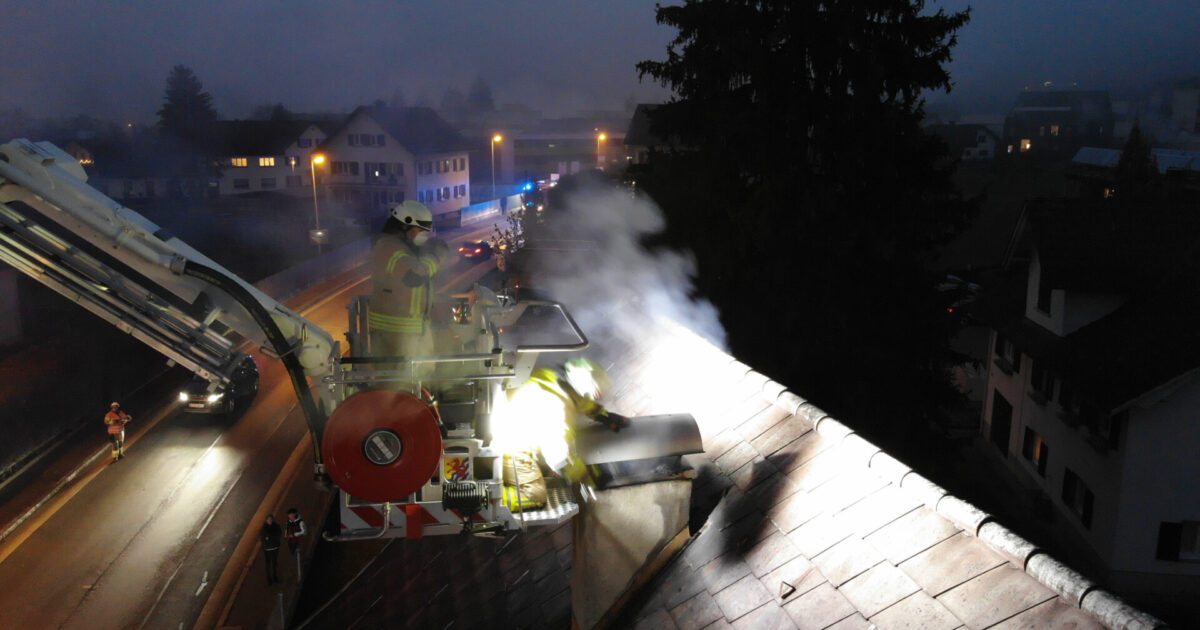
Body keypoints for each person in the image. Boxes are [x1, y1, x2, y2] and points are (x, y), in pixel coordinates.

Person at [492, 358, 627, 509]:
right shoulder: (557, 409)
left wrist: (602, 415)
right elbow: (560, 458)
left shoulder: (549, 377)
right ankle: (487, 499)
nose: (588, 398)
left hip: (505, 434)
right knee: (534, 496)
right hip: (513, 450)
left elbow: (578, 399)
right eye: (592, 394)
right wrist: (592, 477)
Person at [368, 201, 449, 372]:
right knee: (398, 386)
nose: (424, 235)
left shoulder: (404, 248)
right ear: (405, 225)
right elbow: (416, 276)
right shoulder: (388, 248)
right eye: (420, 231)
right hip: (395, 333)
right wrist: (436, 254)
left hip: (411, 331)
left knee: (421, 382)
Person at [260, 514, 282, 585]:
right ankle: (269, 579)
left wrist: (269, 537)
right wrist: (271, 537)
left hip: (274, 547)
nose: (269, 521)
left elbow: (278, 535)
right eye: (268, 520)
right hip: (268, 549)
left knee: (274, 563)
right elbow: (263, 539)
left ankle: (274, 577)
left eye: (270, 519)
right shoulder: (264, 528)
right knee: (269, 564)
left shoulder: (275, 527)